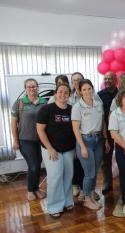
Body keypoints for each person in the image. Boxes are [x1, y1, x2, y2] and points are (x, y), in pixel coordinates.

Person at [36, 83, 75, 218]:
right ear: (55, 94)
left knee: (68, 175)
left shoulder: (72, 109)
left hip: (68, 149)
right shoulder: (46, 109)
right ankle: (54, 206)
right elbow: (40, 130)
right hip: (51, 149)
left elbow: (75, 130)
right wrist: (50, 148)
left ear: (69, 95)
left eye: (66, 92)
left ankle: (67, 201)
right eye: (60, 92)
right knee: (55, 176)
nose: (63, 94)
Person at [72, 79, 110, 210]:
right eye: (84, 90)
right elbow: (75, 129)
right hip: (85, 141)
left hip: (98, 140)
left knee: (95, 171)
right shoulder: (77, 107)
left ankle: (91, 196)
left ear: (93, 89)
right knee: (89, 173)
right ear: (80, 92)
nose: (87, 92)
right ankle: (87, 198)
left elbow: (103, 123)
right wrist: (82, 146)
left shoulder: (98, 104)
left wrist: (105, 139)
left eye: (89, 89)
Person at [11, 78, 47, 201]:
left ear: (37, 87)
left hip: (40, 140)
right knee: (33, 165)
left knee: (37, 165)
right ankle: (31, 190)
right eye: (29, 87)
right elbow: (13, 123)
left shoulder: (44, 102)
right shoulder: (19, 103)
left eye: (34, 86)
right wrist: (15, 140)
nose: (32, 89)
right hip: (25, 140)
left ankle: (36, 188)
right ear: (25, 89)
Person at [97, 71, 118, 195]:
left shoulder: (121, 94)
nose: (108, 81)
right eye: (106, 79)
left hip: (121, 131)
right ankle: (107, 182)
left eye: (110, 78)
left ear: (116, 80)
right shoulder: (99, 95)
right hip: (106, 131)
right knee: (106, 158)